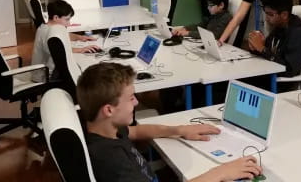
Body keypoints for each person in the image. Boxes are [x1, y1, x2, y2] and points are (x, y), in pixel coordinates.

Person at [77, 63, 262, 182]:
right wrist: (221, 172)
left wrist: (179, 130)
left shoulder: (106, 129)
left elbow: (135, 132)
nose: (137, 103)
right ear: (109, 110)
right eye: (131, 98)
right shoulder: (111, 161)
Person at [31, 0, 100, 82]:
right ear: (56, 17)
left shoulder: (47, 27)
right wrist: (82, 49)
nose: (69, 23)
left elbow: (63, 35)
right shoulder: (47, 33)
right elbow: (59, 52)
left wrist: (80, 37)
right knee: (84, 71)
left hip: (51, 70)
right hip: (45, 76)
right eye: (67, 19)